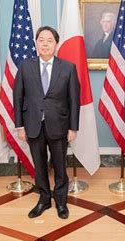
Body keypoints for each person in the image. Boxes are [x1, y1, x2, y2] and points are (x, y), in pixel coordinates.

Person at [13, 26, 80, 220]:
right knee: (39, 166)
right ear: (36, 43)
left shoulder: (68, 67)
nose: (45, 44)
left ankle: (61, 202)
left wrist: (73, 127)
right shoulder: (25, 66)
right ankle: (43, 199)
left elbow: (74, 100)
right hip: (33, 124)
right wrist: (20, 125)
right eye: (41, 40)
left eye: (49, 40)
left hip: (59, 125)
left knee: (60, 166)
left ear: (56, 44)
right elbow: (17, 97)